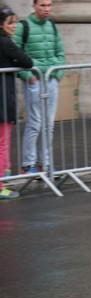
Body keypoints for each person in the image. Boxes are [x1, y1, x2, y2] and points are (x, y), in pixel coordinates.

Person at [12, 0, 64, 175]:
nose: (47, 9)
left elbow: (60, 52)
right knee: (35, 123)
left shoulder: (52, 26)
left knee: (48, 124)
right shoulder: (23, 26)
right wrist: (28, 76)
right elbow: (15, 53)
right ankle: (28, 164)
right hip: (34, 79)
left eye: (49, 5)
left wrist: (57, 75)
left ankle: (46, 163)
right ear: (34, 6)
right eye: (42, 5)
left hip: (50, 79)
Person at [0, 6, 33, 199]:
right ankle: (1, 184)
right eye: (9, 23)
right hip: (3, 100)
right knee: (2, 144)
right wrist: (13, 64)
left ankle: (4, 176)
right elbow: (27, 62)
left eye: (14, 22)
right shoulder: (6, 43)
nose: (13, 26)